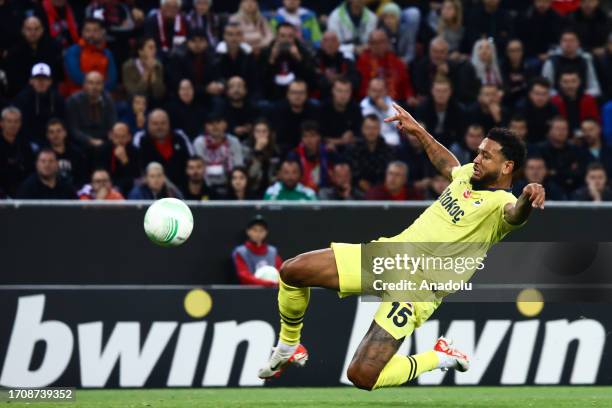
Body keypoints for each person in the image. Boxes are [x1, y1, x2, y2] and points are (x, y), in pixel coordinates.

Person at [257, 103, 545, 390]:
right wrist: (419, 132)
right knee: (293, 271)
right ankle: (288, 346)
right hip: (390, 256)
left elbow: (515, 212)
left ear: (507, 167)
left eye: (486, 156)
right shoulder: (469, 174)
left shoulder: (500, 206)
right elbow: (450, 165)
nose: (478, 159)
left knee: (362, 376)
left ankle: (439, 357)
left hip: (416, 289)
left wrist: (527, 197)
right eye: (479, 152)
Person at [4, 16, 63, 97]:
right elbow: (13, 81)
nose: (33, 32)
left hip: (49, 94)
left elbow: (57, 75)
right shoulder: (14, 53)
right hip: (22, 96)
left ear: (42, 30)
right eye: (29, 29)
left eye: (36, 29)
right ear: (23, 30)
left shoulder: (53, 49)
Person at [411, 36, 480, 105]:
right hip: (427, 102)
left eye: (442, 52)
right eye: (435, 51)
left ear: (447, 53)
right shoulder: (420, 65)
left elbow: (460, 91)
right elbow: (420, 88)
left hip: (451, 103)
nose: (438, 55)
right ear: (430, 51)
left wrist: (449, 74)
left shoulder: (455, 67)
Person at [134, 109, 194, 188]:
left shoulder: (179, 138)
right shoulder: (141, 140)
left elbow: (191, 162)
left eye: (163, 123)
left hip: (180, 187)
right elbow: (137, 167)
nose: (159, 127)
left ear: (169, 124)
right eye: (155, 124)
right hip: (150, 189)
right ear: (148, 125)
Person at [14, 63, 66, 148]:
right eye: (38, 79)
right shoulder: (22, 99)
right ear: (31, 81)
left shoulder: (57, 99)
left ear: (50, 81)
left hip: (53, 139)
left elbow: (63, 122)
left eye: (45, 79)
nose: (41, 82)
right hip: (30, 141)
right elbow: (22, 128)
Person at [260, 22, 316, 100]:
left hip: (298, 96)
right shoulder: (266, 52)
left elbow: (311, 79)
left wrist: (298, 58)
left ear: (295, 37)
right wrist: (272, 59)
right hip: (273, 95)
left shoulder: (302, 51)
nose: (286, 40)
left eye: (290, 36)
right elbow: (261, 80)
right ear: (276, 37)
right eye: (282, 36)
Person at [63, 17, 118, 95]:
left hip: (102, 96)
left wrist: (98, 90)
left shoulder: (107, 53)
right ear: (82, 32)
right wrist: (96, 87)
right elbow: (75, 76)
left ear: (103, 32)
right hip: (78, 96)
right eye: (87, 31)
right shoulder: (74, 51)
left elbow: (112, 80)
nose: (91, 34)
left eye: (95, 31)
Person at [167, 27, 222, 105]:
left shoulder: (212, 56)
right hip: (183, 97)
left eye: (201, 41)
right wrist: (205, 89)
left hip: (206, 97)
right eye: (193, 41)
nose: (197, 44)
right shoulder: (178, 58)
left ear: (206, 43)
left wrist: (219, 85)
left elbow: (218, 76)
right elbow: (177, 84)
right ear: (187, 42)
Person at [535, 116, 589, 194]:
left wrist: (555, 172)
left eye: (564, 129)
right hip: (546, 190)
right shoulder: (540, 149)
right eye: (558, 129)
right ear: (550, 131)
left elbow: (579, 173)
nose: (561, 132)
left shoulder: (575, 150)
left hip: (572, 189)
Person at [356, 30, 413, 103]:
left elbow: (405, 84)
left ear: (387, 43)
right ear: (369, 44)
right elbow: (361, 89)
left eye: (381, 42)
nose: (378, 46)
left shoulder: (397, 62)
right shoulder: (362, 61)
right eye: (374, 43)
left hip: (395, 103)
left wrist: (409, 96)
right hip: (371, 104)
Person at [193, 112, 244, 194]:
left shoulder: (233, 142)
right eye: (211, 123)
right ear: (206, 127)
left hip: (230, 187)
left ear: (225, 125)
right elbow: (198, 168)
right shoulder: (199, 143)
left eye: (218, 122)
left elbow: (239, 167)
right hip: (206, 187)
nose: (215, 126)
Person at [541, 30, 601, 97]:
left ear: (578, 43)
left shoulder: (586, 60)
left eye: (572, 40)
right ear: (560, 43)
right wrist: (562, 97)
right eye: (565, 40)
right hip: (557, 100)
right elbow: (545, 88)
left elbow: (595, 87)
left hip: (582, 98)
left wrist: (581, 96)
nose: (568, 43)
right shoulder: (551, 61)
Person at [66, 71, 117, 148]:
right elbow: (73, 129)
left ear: (103, 85)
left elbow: (112, 123)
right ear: (84, 85)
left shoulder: (108, 100)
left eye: (98, 83)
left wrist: (112, 134)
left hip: (104, 141)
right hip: (81, 142)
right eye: (91, 83)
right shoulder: (73, 101)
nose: (94, 87)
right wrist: (89, 140)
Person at [270, 79, 320, 153]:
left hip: (308, 151)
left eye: (301, 92)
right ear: (288, 94)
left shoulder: (314, 111)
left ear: (306, 95)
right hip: (283, 151)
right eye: (294, 92)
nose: (298, 96)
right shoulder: (277, 110)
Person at [348, 114, 395, 192]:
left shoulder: (389, 150)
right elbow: (352, 172)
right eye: (368, 128)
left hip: (383, 190)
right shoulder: (353, 149)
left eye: (374, 128)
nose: (371, 132)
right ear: (362, 129)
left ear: (379, 130)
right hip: (357, 191)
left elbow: (389, 173)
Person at [232, 215, 282, 287]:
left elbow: (281, 272)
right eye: (254, 230)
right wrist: (268, 283)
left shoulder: (272, 252)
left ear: (266, 232)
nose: (258, 233)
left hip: (272, 292)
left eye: (261, 230)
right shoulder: (240, 252)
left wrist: (277, 283)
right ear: (248, 231)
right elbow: (244, 276)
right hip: (250, 293)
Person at [414, 75, 464, 147]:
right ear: (432, 91)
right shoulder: (422, 108)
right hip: (428, 145)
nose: (441, 94)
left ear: (450, 92)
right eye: (438, 91)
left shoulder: (457, 109)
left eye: (445, 91)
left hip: (449, 146)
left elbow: (460, 134)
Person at [93, 122, 140, 196]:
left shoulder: (134, 151)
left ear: (129, 137)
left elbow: (136, 175)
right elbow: (99, 171)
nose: (119, 140)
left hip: (126, 186)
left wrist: (125, 161)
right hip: (106, 184)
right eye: (116, 136)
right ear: (110, 136)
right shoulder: (102, 149)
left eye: (123, 137)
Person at [313, 31, 360, 100]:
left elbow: (355, 80)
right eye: (326, 41)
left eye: (333, 41)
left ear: (338, 44)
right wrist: (330, 80)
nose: (330, 44)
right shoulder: (315, 61)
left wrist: (337, 80)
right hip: (322, 99)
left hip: (344, 98)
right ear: (321, 44)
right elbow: (314, 82)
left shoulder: (346, 61)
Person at [213, 22, 258, 94]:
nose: (234, 38)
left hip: (244, 93)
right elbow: (216, 77)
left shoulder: (248, 54)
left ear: (242, 36)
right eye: (230, 34)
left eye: (238, 34)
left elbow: (253, 80)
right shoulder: (216, 55)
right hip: (224, 92)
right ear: (224, 36)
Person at [287, 121, 332, 192]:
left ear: (319, 137)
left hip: (323, 191)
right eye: (305, 136)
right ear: (301, 139)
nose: (309, 140)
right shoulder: (294, 155)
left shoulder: (328, 153)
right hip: (301, 191)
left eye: (312, 136)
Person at [320, 77, 362, 150]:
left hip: (350, 148)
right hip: (329, 149)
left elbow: (361, 135)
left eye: (347, 91)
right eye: (339, 91)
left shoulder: (355, 108)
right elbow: (319, 137)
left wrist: (352, 134)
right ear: (333, 91)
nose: (343, 95)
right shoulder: (323, 109)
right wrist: (341, 141)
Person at [0, 107, 34, 197]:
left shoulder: (25, 144)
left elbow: (30, 170)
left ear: (20, 124)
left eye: (16, 121)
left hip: (23, 190)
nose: (13, 125)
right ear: (2, 123)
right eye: (9, 121)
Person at [44, 118, 88, 189]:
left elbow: (82, 178)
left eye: (58, 131)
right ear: (47, 135)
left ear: (65, 133)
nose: (55, 135)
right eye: (51, 132)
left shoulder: (77, 153)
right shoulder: (43, 156)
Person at [243, 119, 281, 196]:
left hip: (271, 190)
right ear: (253, 133)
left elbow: (277, 175)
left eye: (264, 131)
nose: (261, 135)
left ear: (269, 133)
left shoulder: (276, 150)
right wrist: (257, 151)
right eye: (258, 131)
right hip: (252, 190)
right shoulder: (245, 149)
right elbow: (251, 175)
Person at [122, 37, 166, 103]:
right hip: (134, 104)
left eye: (155, 47)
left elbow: (159, 95)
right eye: (150, 48)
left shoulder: (158, 65)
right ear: (140, 51)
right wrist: (147, 71)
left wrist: (153, 72)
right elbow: (134, 94)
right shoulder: (128, 67)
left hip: (154, 103)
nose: (155, 50)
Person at [516, 78, 559, 143]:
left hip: (547, 145)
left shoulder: (553, 109)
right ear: (530, 94)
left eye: (544, 94)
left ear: (549, 95)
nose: (540, 98)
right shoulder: (520, 109)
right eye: (537, 93)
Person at [360, 78, 400, 146]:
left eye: (380, 91)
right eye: (374, 90)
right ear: (368, 91)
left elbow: (400, 126)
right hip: (370, 141)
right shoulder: (363, 106)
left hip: (391, 141)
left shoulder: (393, 105)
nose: (377, 94)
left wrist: (387, 109)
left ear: (385, 91)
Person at [222, 76, 258, 140]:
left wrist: (251, 128)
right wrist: (232, 130)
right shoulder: (220, 110)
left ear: (246, 90)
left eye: (239, 86)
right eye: (232, 87)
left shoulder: (253, 108)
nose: (236, 90)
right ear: (227, 91)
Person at [500, 39, 532, 108]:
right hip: (507, 100)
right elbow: (505, 89)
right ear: (507, 52)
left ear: (522, 51)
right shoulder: (501, 67)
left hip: (525, 99)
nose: (515, 53)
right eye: (512, 51)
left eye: (518, 50)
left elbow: (530, 86)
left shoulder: (529, 66)